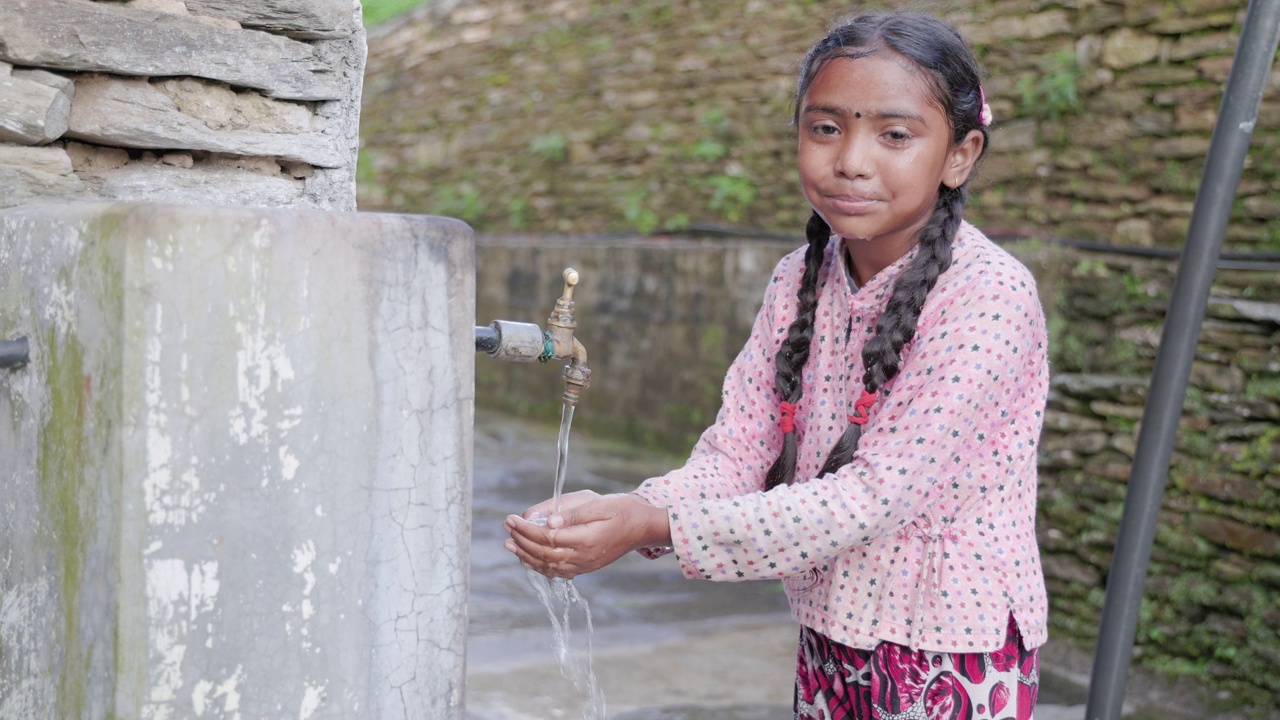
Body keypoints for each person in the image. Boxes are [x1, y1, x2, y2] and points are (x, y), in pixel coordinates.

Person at [505, 10, 1048, 719]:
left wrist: (653, 528)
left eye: (894, 135)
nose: (851, 159)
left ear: (960, 154)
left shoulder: (988, 295)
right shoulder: (801, 278)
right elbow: (737, 453)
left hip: (953, 651)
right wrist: (633, 507)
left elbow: (871, 498)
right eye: (826, 128)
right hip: (830, 638)